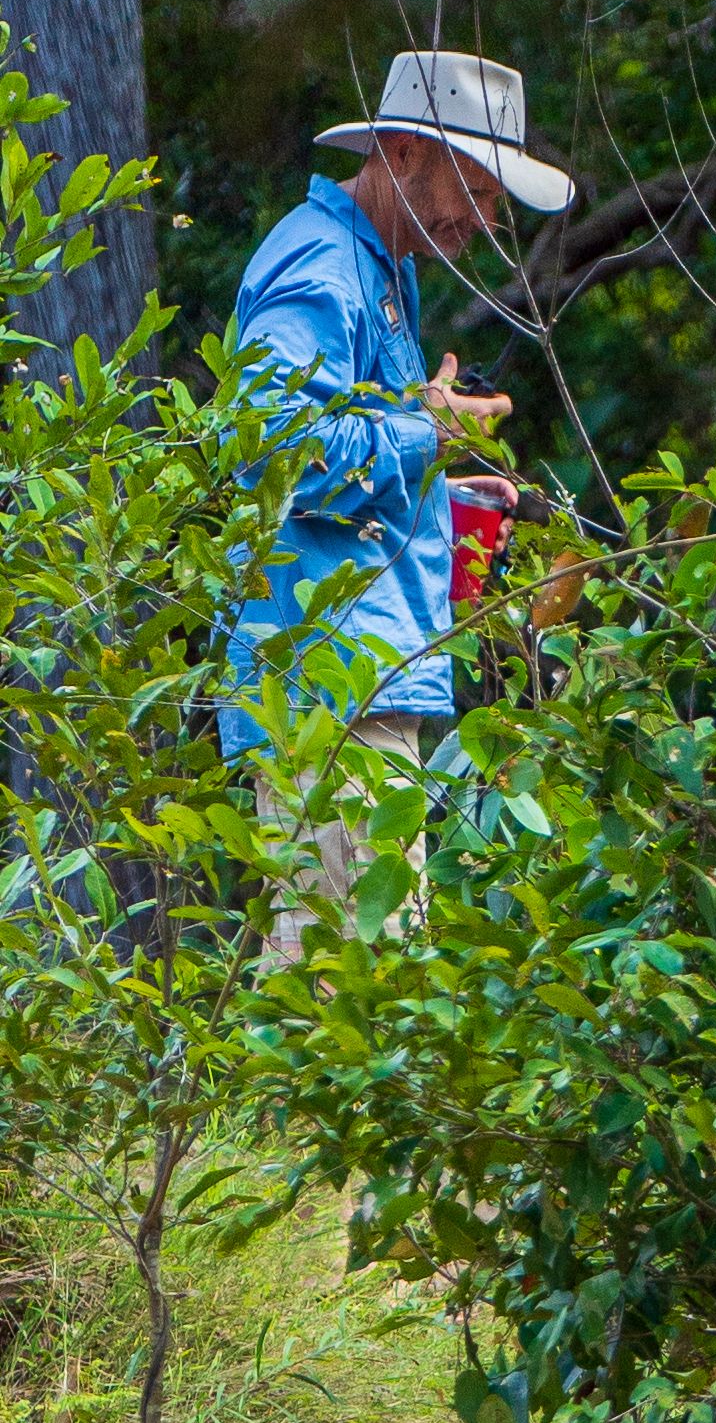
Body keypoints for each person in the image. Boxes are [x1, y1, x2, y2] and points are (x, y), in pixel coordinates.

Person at [222, 47, 571, 951]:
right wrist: (429, 434)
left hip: (369, 679)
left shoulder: (382, 268)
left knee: (372, 990)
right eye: (482, 192)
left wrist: (441, 490)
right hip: (328, 688)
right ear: (406, 150)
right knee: (339, 981)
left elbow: (352, 457)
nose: (488, 224)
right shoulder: (320, 267)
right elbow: (274, 454)